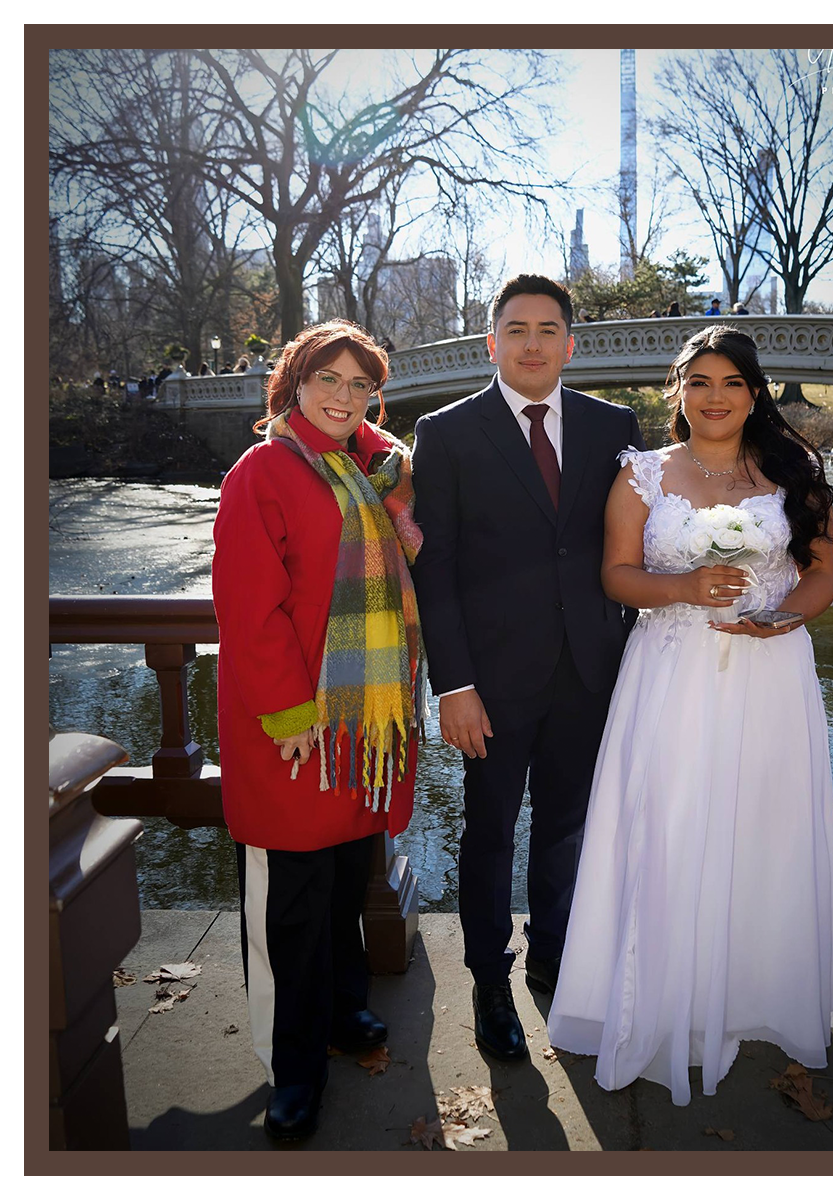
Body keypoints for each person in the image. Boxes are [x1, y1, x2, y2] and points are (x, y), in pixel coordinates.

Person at [547, 324, 833, 1105]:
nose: (715, 397)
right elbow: (617, 574)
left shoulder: (792, 470)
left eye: (732, 383)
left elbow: (822, 575)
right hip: (673, 672)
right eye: (700, 382)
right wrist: (682, 587)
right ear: (677, 391)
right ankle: (662, 996)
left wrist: (783, 616)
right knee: (670, 821)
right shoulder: (642, 475)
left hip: (769, 672)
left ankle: (754, 994)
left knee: (764, 823)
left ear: (754, 393)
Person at [411, 274, 644, 1062]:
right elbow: (434, 571)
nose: (534, 343)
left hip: (589, 670)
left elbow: (631, 545)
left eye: (548, 329)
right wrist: (454, 685)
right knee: (488, 834)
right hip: (491, 683)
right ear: (492, 342)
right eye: (517, 329)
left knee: (568, 829)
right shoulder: (445, 433)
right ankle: (488, 980)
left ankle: (554, 954)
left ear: (570, 343)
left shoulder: (616, 425)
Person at [212, 319, 425, 1140]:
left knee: (340, 881)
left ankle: (342, 1013)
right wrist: (290, 714)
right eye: (325, 380)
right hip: (293, 726)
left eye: (357, 383)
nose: (342, 396)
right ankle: (290, 1066)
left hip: (358, 721)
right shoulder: (262, 471)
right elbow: (249, 606)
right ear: (293, 386)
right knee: (290, 906)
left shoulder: (379, 470)